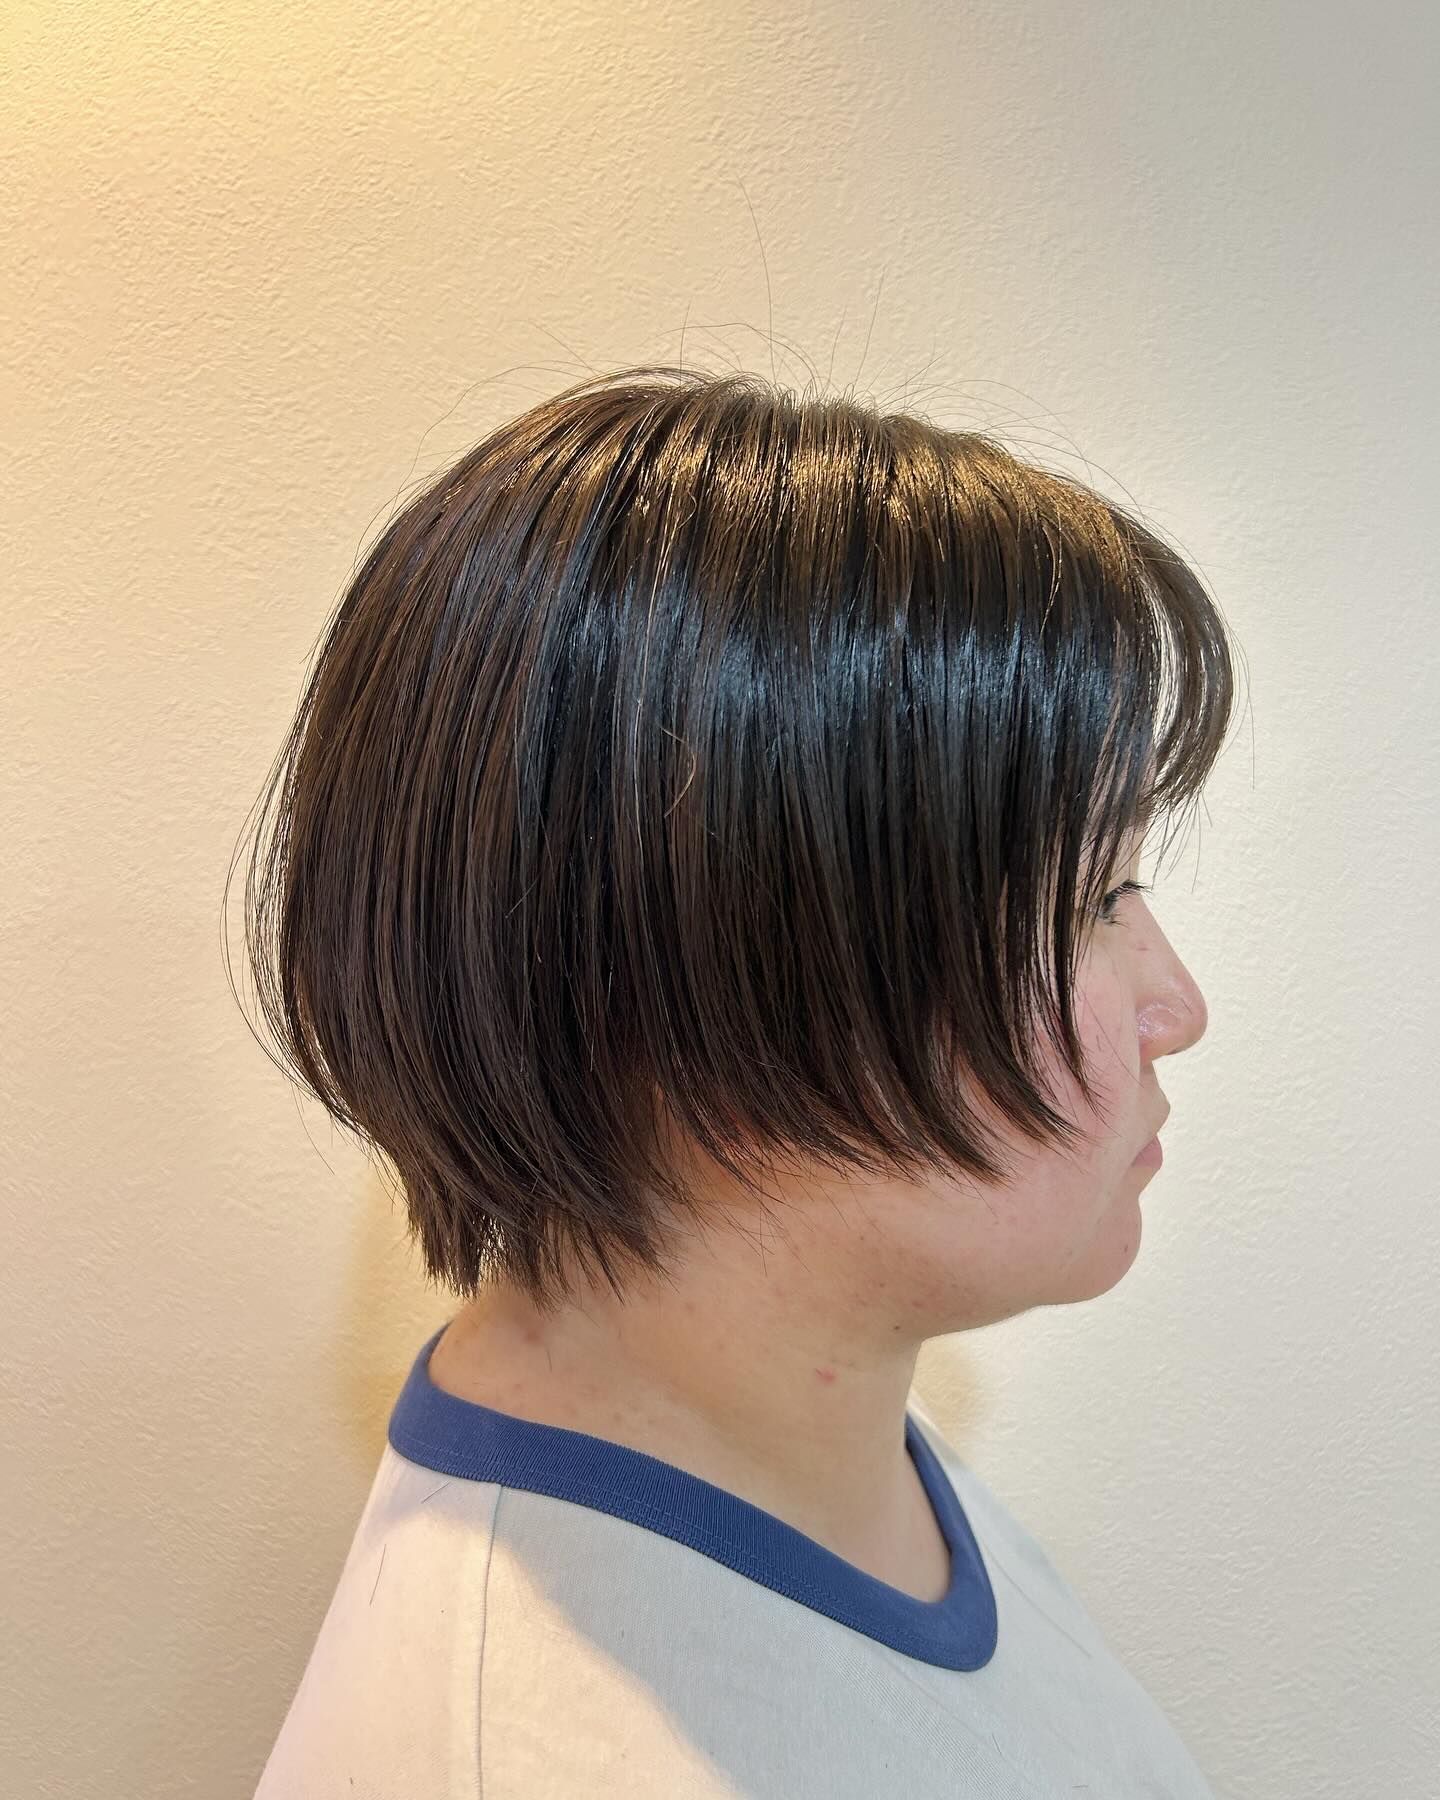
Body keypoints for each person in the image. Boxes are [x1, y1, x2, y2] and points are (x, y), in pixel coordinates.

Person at [244, 362, 1237, 1797]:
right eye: (1090, 897)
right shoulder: (553, 1754)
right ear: (695, 985)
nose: (1177, 1008)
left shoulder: (800, 1447)